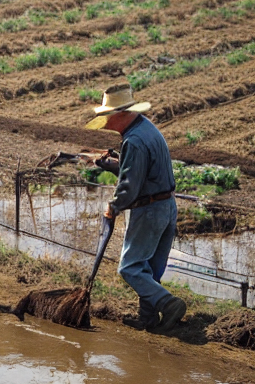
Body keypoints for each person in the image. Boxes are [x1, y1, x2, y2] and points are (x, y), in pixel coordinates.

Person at [85, 83, 186, 333]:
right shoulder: (146, 129)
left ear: (120, 114)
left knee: (129, 267)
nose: (105, 121)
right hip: (165, 205)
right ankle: (147, 318)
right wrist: (109, 163)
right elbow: (140, 171)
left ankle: (169, 304)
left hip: (149, 210)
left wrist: (114, 206)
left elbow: (130, 186)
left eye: (107, 115)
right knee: (150, 268)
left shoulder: (135, 141)